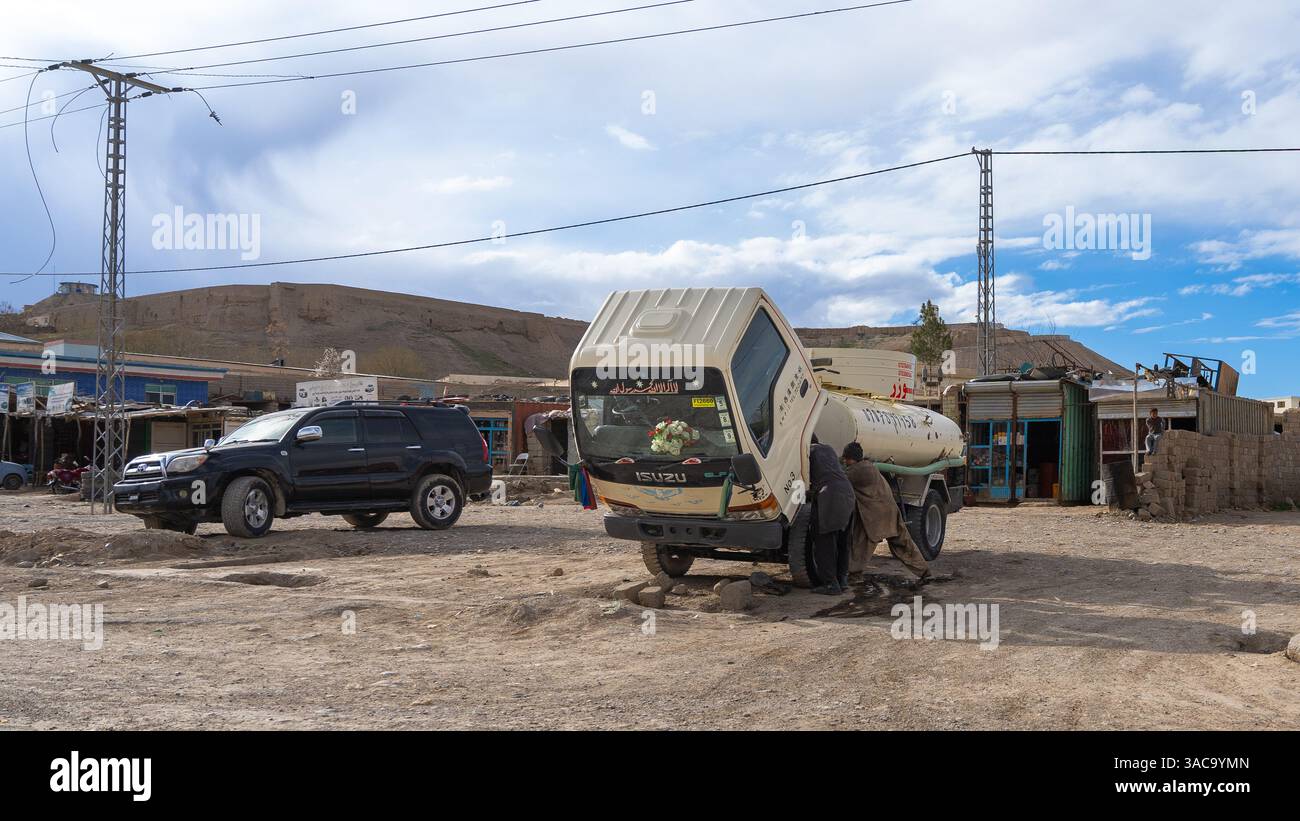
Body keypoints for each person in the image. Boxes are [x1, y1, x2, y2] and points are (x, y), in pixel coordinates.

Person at [841, 441, 930, 580]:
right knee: (904, 545)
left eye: (846, 458)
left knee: (861, 546)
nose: (845, 461)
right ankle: (923, 571)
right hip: (890, 511)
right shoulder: (869, 466)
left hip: (874, 516)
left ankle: (854, 575)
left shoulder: (856, 471)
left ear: (852, 458)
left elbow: (839, 481)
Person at [807, 435, 854, 595]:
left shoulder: (808, 451)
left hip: (830, 494)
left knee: (824, 541)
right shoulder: (828, 449)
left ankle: (830, 584)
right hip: (847, 492)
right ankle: (842, 580)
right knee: (842, 540)